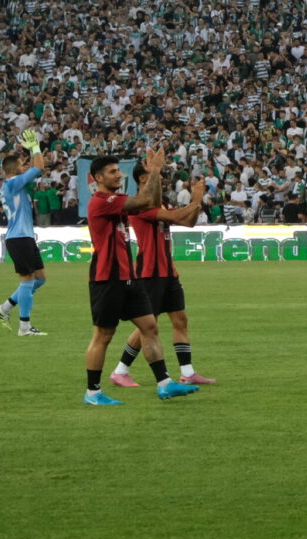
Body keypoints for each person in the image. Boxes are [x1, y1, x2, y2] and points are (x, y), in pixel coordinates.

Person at [82, 151, 199, 406]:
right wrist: (154, 171)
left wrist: (155, 174)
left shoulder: (115, 199)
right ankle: (92, 392)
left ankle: (164, 383)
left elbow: (149, 202)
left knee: (150, 326)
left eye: (118, 170)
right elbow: (146, 201)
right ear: (98, 178)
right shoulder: (101, 201)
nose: (119, 174)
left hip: (129, 277)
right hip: (107, 278)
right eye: (113, 171)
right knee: (103, 336)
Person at [110, 170, 214, 387]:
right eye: (155, 175)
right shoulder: (139, 206)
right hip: (150, 274)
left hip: (168, 272)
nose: (161, 179)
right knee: (148, 325)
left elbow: (188, 222)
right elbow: (177, 217)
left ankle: (187, 372)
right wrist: (195, 200)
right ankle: (120, 371)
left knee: (180, 320)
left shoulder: (161, 205)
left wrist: (196, 205)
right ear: (143, 179)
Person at [0, 130, 48, 336]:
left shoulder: (13, 185)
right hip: (19, 238)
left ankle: (4, 308)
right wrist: (35, 147)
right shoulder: (12, 183)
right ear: (14, 169)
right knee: (27, 280)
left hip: (24, 237)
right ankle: (24, 327)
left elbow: (36, 168)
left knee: (40, 278)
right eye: (22, 165)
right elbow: (39, 167)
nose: (25, 167)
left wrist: (33, 153)